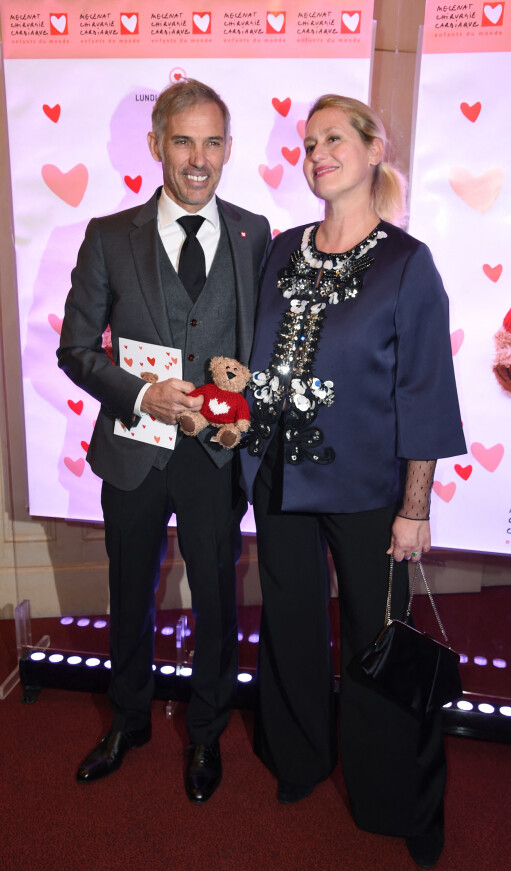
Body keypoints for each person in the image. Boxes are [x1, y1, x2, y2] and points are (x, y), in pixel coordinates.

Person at [240, 94, 466, 868]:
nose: (317, 154)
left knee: (379, 649)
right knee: (293, 630)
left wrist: (415, 509)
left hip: (373, 493)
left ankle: (395, 796)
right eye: (307, 144)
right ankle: (299, 761)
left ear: (375, 150)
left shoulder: (408, 262)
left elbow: (426, 392)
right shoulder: (281, 248)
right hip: (279, 481)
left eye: (334, 139)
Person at [57, 78, 270, 802]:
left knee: (215, 594)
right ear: (156, 145)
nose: (199, 158)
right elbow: (76, 349)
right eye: (184, 140)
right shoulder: (108, 236)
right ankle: (128, 719)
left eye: (213, 141)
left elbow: (261, 349)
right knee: (130, 591)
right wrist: (141, 391)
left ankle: (207, 731)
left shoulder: (257, 233)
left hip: (216, 455)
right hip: (134, 448)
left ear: (230, 149)